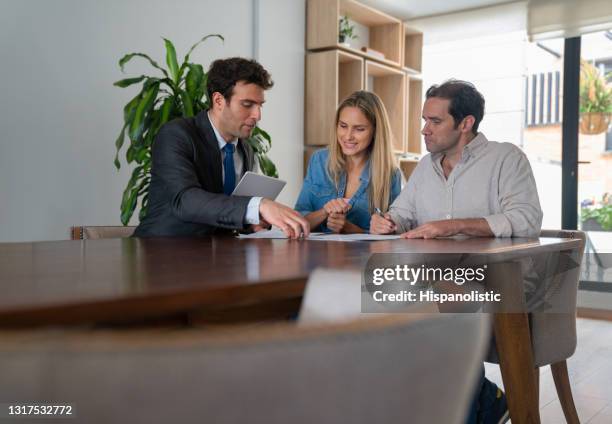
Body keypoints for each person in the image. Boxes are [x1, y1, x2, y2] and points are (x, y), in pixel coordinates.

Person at [371, 80, 543, 423]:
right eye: (424, 120)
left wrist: (455, 225)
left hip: (500, 280)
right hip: (440, 279)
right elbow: (402, 214)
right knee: (377, 300)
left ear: (466, 123)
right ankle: (485, 402)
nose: (424, 130)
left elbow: (526, 220)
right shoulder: (425, 167)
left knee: (423, 310)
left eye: (435, 122)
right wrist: (386, 222)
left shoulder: (505, 158)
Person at [134, 57, 309, 239]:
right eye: (247, 105)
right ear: (218, 100)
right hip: (161, 254)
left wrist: (252, 221)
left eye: (259, 106)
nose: (257, 115)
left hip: (218, 258)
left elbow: (226, 215)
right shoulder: (176, 135)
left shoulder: (245, 149)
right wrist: (259, 205)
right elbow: (185, 201)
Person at [295, 91, 402, 233]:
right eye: (343, 126)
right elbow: (297, 221)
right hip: (315, 254)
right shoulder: (319, 161)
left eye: (359, 129)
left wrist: (348, 228)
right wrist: (324, 211)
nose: (348, 136)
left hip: (362, 256)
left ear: (375, 131)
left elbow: (391, 236)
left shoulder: (390, 175)